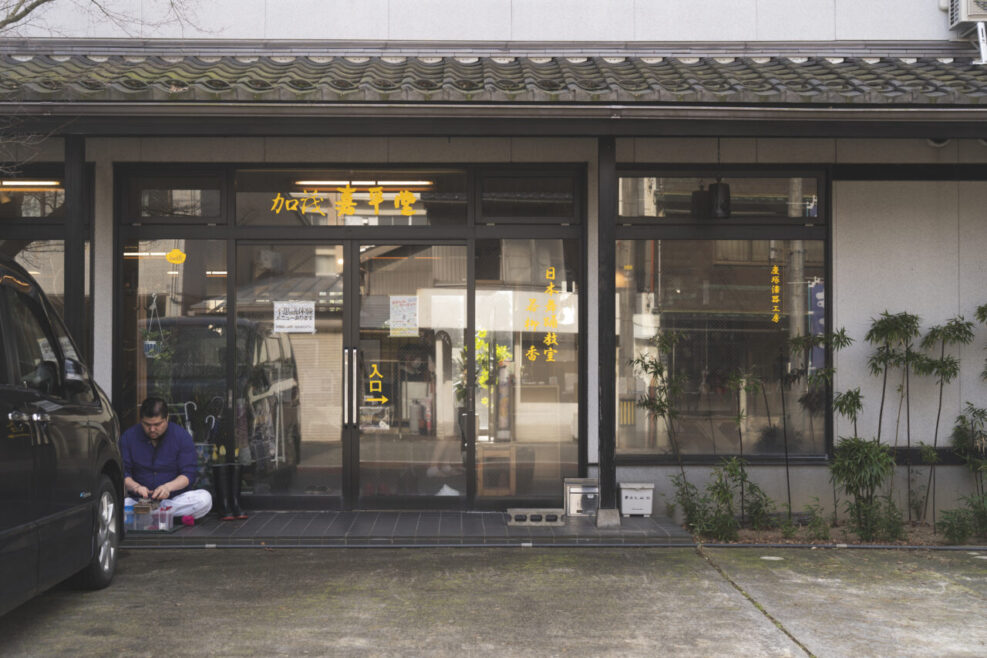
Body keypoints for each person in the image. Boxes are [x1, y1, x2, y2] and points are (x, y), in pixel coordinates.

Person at [121, 397, 212, 523]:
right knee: (116, 505)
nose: (152, 429)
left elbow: (188, 475)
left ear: (167, 418)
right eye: (147, 424)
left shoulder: (181, 436)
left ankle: (152, 514)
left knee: (205, 499)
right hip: (140, 501)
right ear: (141, 420)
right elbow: (123, 473)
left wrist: (167, 488)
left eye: (157, 424)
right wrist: (136, 487)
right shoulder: (128, 437)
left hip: (173, 499)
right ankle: (165, 515)